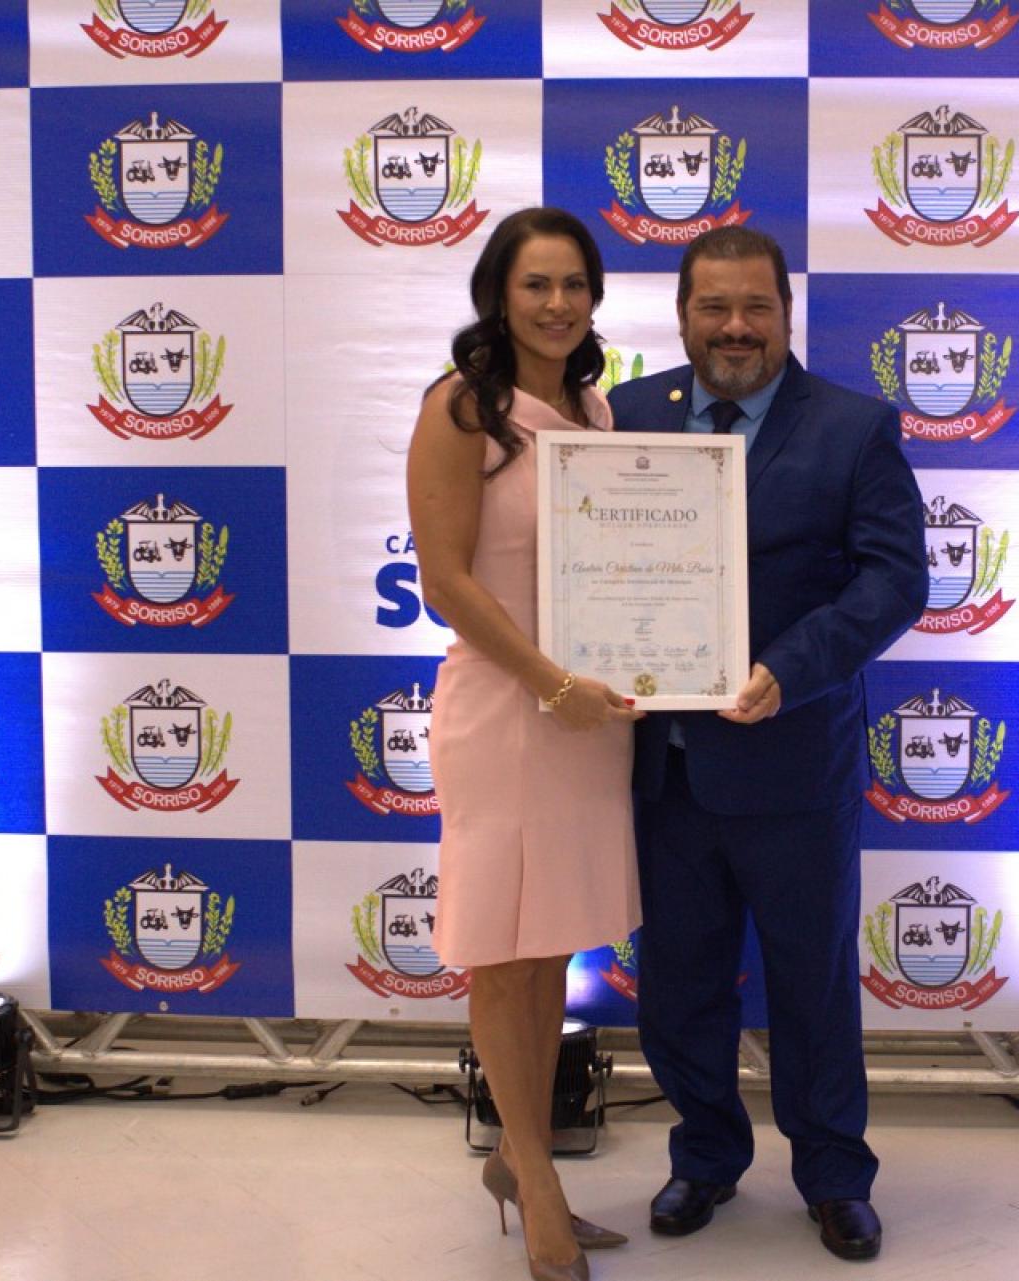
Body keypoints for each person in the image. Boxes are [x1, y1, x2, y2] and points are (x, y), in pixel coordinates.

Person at [606, 226, 929, 1262]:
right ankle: (704, 1155)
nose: (735, 327)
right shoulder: (621, 418)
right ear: (682, 316)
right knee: (679, 983)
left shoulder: (853, 427)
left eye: (756, 307)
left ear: (787, 314)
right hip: (664, 768)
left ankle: (834, 1174)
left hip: (793, 761)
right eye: (714, 307)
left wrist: (790, 668)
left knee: (812, 982)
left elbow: (895, 580)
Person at [406, 207, 642, 1281]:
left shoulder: (595, 409)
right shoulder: (462, 407)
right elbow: (446, 582)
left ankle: (520, 1151)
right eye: (536, 284)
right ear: (497, 296)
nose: (558, 304)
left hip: (587, 719)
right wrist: (552, 684)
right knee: (504, 954)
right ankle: (537, 1183)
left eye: (575, 285)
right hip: (511, 713)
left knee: (549, 946)